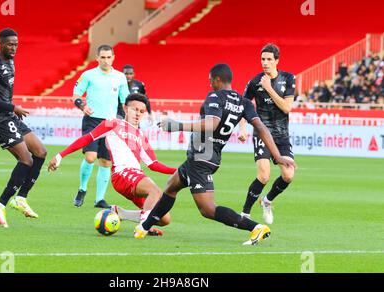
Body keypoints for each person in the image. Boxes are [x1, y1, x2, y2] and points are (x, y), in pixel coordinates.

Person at [133, 64, 296, 245]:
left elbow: (212, 123)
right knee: (171, 187)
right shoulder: (244, 102)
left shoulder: (215, 96)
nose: (209, 82)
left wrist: (177, 126)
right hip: (210, 155)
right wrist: (278, 156)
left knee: (207, 209)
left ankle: (256, 228)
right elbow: (262, 128)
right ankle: (143, 228)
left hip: (202, 156)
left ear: (217, 79)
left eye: (210, 79)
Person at [48, 93, 175, 235]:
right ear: (126, 108)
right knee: (155, 191)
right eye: (135, 109)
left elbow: (154, 164)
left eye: (141, 111)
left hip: (137, 179)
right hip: (123, 174)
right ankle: (143, 227)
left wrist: (179, 171)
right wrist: (60, 155)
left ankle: (121, 213)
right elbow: (87, 138)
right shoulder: (113, 123)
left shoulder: (141, 136)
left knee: (164, 218)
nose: (138, 114)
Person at [0, 28, 47, 228]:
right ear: (0, 43)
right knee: (25, 160)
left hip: (9, 114)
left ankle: (21, 198)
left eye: (16, 44)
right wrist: (12, 107)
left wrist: (12, 108)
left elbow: (3, 93)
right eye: (10, 44)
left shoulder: (11, 61)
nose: (14, 48)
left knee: (40, 152)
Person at [239, 44, 296, 224]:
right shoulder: (254, 82)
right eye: (263, 59)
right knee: (264, 175)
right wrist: (242, 129)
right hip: (262, 132)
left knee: (288, 175)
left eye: (269, 59)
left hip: (281, 134)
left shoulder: (288, 78)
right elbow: (244, 106)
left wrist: (269, 88)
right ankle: (244, 215)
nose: (265, 63)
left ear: (277, 61)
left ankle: (267, 200)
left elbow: (287, 108)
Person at [73, 45, 130, 209]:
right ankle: (82, 189)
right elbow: (76, 95)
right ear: (97, 58)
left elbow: (125, 100)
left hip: (111, 123)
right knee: (90, 157)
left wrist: (128, 116)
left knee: (105, 161)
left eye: (108, 57)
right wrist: (82, 106)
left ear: (114, 57)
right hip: (92, 120)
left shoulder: (120, 77)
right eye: (102, 57)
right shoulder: (88, 75)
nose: (106, 60)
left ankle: (99, 199)